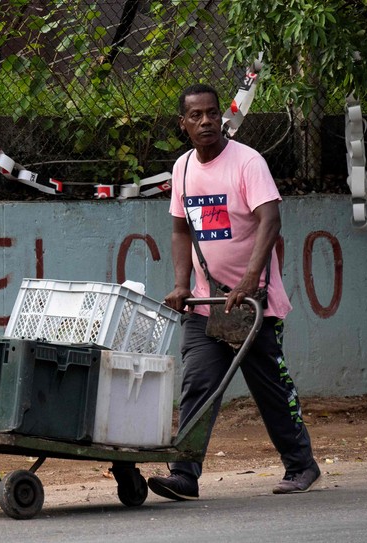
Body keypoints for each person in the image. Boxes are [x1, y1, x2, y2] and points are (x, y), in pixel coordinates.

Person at [148, 83, 320, 500]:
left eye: (212, 113)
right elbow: (179, 229)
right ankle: (185, 474)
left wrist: (250, 280)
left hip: (251, 303)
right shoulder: (183, 168)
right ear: (183, 124)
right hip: (207, 303)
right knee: (199, 384)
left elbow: (270, 220)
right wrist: (181, 284)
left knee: (269, 387)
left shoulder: (248, 162)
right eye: (196, 116)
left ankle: (301, 465)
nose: (206, 121)